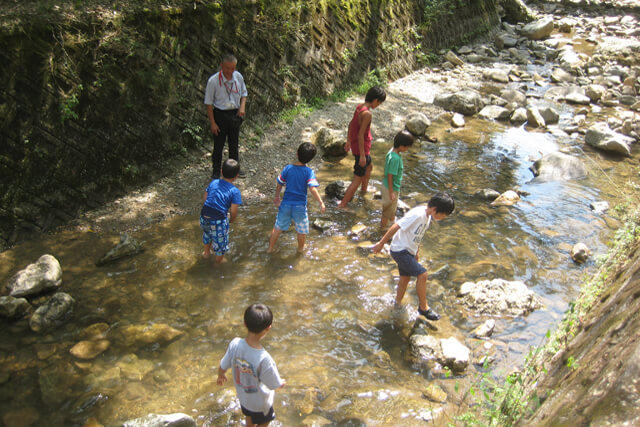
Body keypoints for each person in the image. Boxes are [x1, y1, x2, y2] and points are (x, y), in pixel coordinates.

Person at [372, 192, 455, 320]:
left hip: (407, 252)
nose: (442, 218)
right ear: (434, 209)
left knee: (405, 278)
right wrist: (381, 243)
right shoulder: (418, 214)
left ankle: (397, 303)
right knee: (423, 274)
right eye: (442, 215)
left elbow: (417, 236)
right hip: (400, 250)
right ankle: (423, 307)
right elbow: (396, 225)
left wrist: (416, 252)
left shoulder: (427, 218)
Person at [217, 303, 285, 427]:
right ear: (268, 328)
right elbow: (273, 384)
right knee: (264, 422)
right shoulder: (264, 359)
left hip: (244, 399)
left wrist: (221, 375)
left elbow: (223, 365)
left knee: (249, 417)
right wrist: (280, 383)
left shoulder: (235, 344)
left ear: (245, 323)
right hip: (261, 404)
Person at [267, 142, 326, 254]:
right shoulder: (308, 172)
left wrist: (276, 197)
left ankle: (270, 248)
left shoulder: (288, 168)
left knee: (278, 226)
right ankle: (300, 250)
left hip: (286, 205)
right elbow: (313, 189)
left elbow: (279, 183)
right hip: (300, 207)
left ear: (297, 154)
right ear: (310, 159)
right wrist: (321, 202)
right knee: (301, 230)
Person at [337, 86, 387, 209]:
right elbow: (360, 135)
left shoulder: (359, 107)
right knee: (357, 178)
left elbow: (351, 124)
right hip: (362, 149)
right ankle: (343, 204)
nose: (379, 105)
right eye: (379, 102)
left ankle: (363, 191)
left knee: (369, 167)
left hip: (359, 147)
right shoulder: (367, 114)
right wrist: (363, 156)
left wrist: (348, 141)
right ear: (375, 100)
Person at [204, 54, 248, 179]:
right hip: (220, 114)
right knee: (219, 144)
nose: (230, 71)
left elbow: (244, 93)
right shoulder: (213, 81)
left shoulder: (238, 76)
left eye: (232, 68)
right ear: (222, 66)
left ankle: (235, 170)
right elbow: (208, 103)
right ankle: (216, 170)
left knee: (234, 143)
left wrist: (242, 106)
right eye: (227, 68)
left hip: (235, 113)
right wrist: (212, 122)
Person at [200, 159, 242, 263]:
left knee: (207, 233)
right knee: (220, 243)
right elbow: (233, 211)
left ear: (222, 171)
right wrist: (231, 220)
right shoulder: (234, 191)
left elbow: (205, 198)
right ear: (237, 176)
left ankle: (206, 253)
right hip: (218, 220)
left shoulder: (214, 182)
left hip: (204, 215)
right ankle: (217, 264)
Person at [381, 130, 415, 230]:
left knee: (391, 209)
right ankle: (382, 229)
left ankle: (392, 224)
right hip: (391, 188)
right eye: (407, 147)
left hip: (387, 185)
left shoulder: (392, 151)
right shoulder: (395, 159)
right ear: (401, 145)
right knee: (386, 213)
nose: (407, 149)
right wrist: (392, 192)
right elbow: (390, 175)